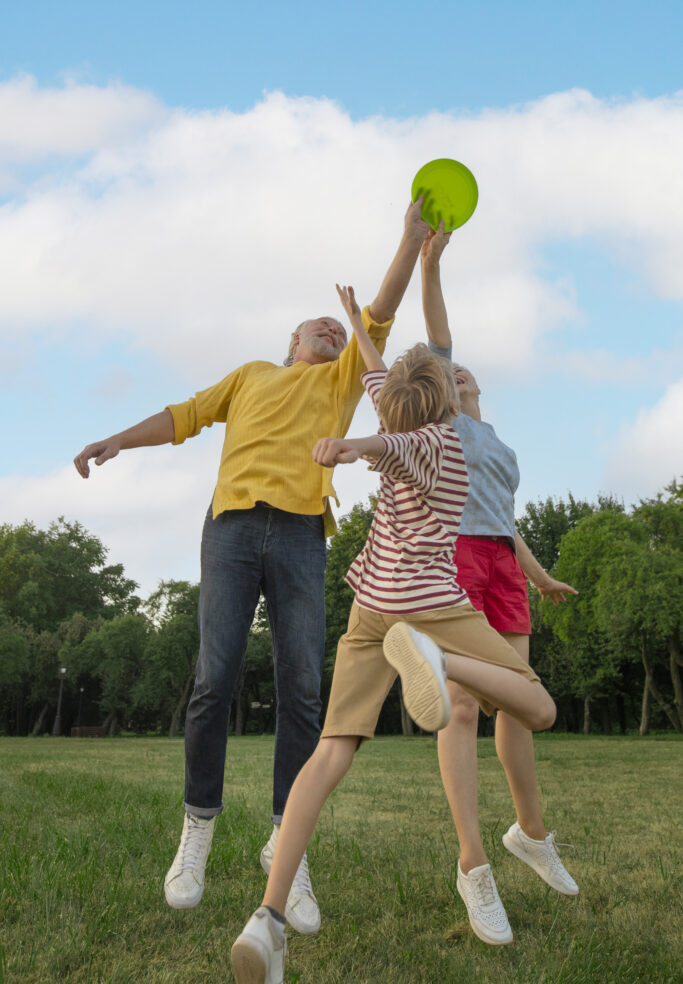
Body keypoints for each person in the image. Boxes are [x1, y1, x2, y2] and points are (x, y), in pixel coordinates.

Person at [73, 200, 431, 934]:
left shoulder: (338, 383)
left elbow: (383, 307)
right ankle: (197, 826)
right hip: (232, 529)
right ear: (290, 340)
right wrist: (116, 437)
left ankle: (286, 848)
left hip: (301, 533)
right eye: (320, 326)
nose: (332, 331)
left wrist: (407, 239)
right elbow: (181, 417)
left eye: (339, 330)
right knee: (214, 678)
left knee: (302, 688)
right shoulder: (248, 377)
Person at [230, 285, 557, 984]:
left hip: (368, 609)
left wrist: (358, 329)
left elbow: (381, 400)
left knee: (328, 756)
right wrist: (355, 443)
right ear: (442, 403)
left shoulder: (393, 410)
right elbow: (395, 438)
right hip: (426, 607)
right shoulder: (439, 439)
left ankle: (268, 917)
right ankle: (446, 666)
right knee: (535, 706)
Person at [420, 224, 579, 946]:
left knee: (517, 705)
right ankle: (471, 864)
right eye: (446, 377)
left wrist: (539, 578)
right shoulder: (444, 430)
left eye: (461, 375)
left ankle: (529, 832)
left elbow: (505, 522)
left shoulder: (500, 446)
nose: (455, 378)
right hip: (451, 562)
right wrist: (431, 264)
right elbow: (438, 336)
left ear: (477, 387)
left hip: (501, 567)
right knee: (457, 709)